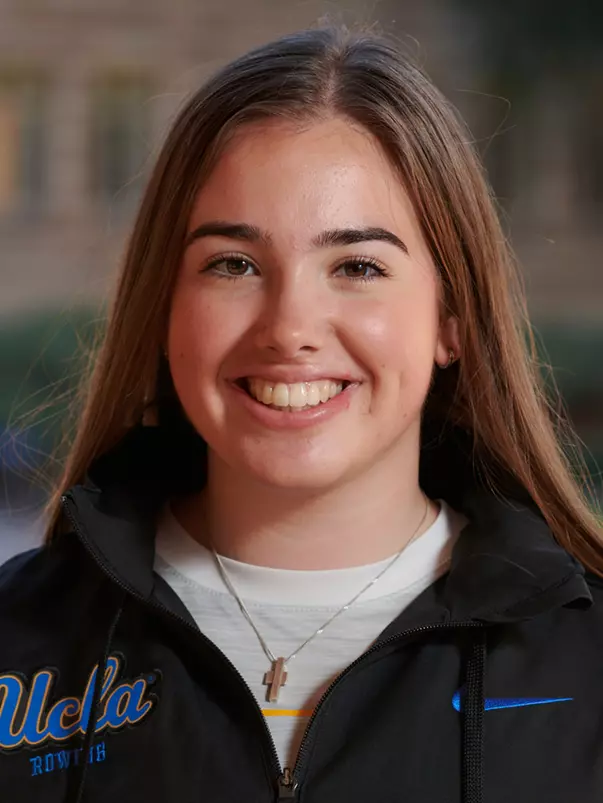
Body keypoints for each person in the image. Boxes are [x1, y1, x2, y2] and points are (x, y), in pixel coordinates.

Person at [1, 23, 602, 803]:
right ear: (163, 306)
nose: (288, 327)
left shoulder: (585, 661)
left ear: (451, 318)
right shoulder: (18, 646)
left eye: (357, 265)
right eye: (234, 264)